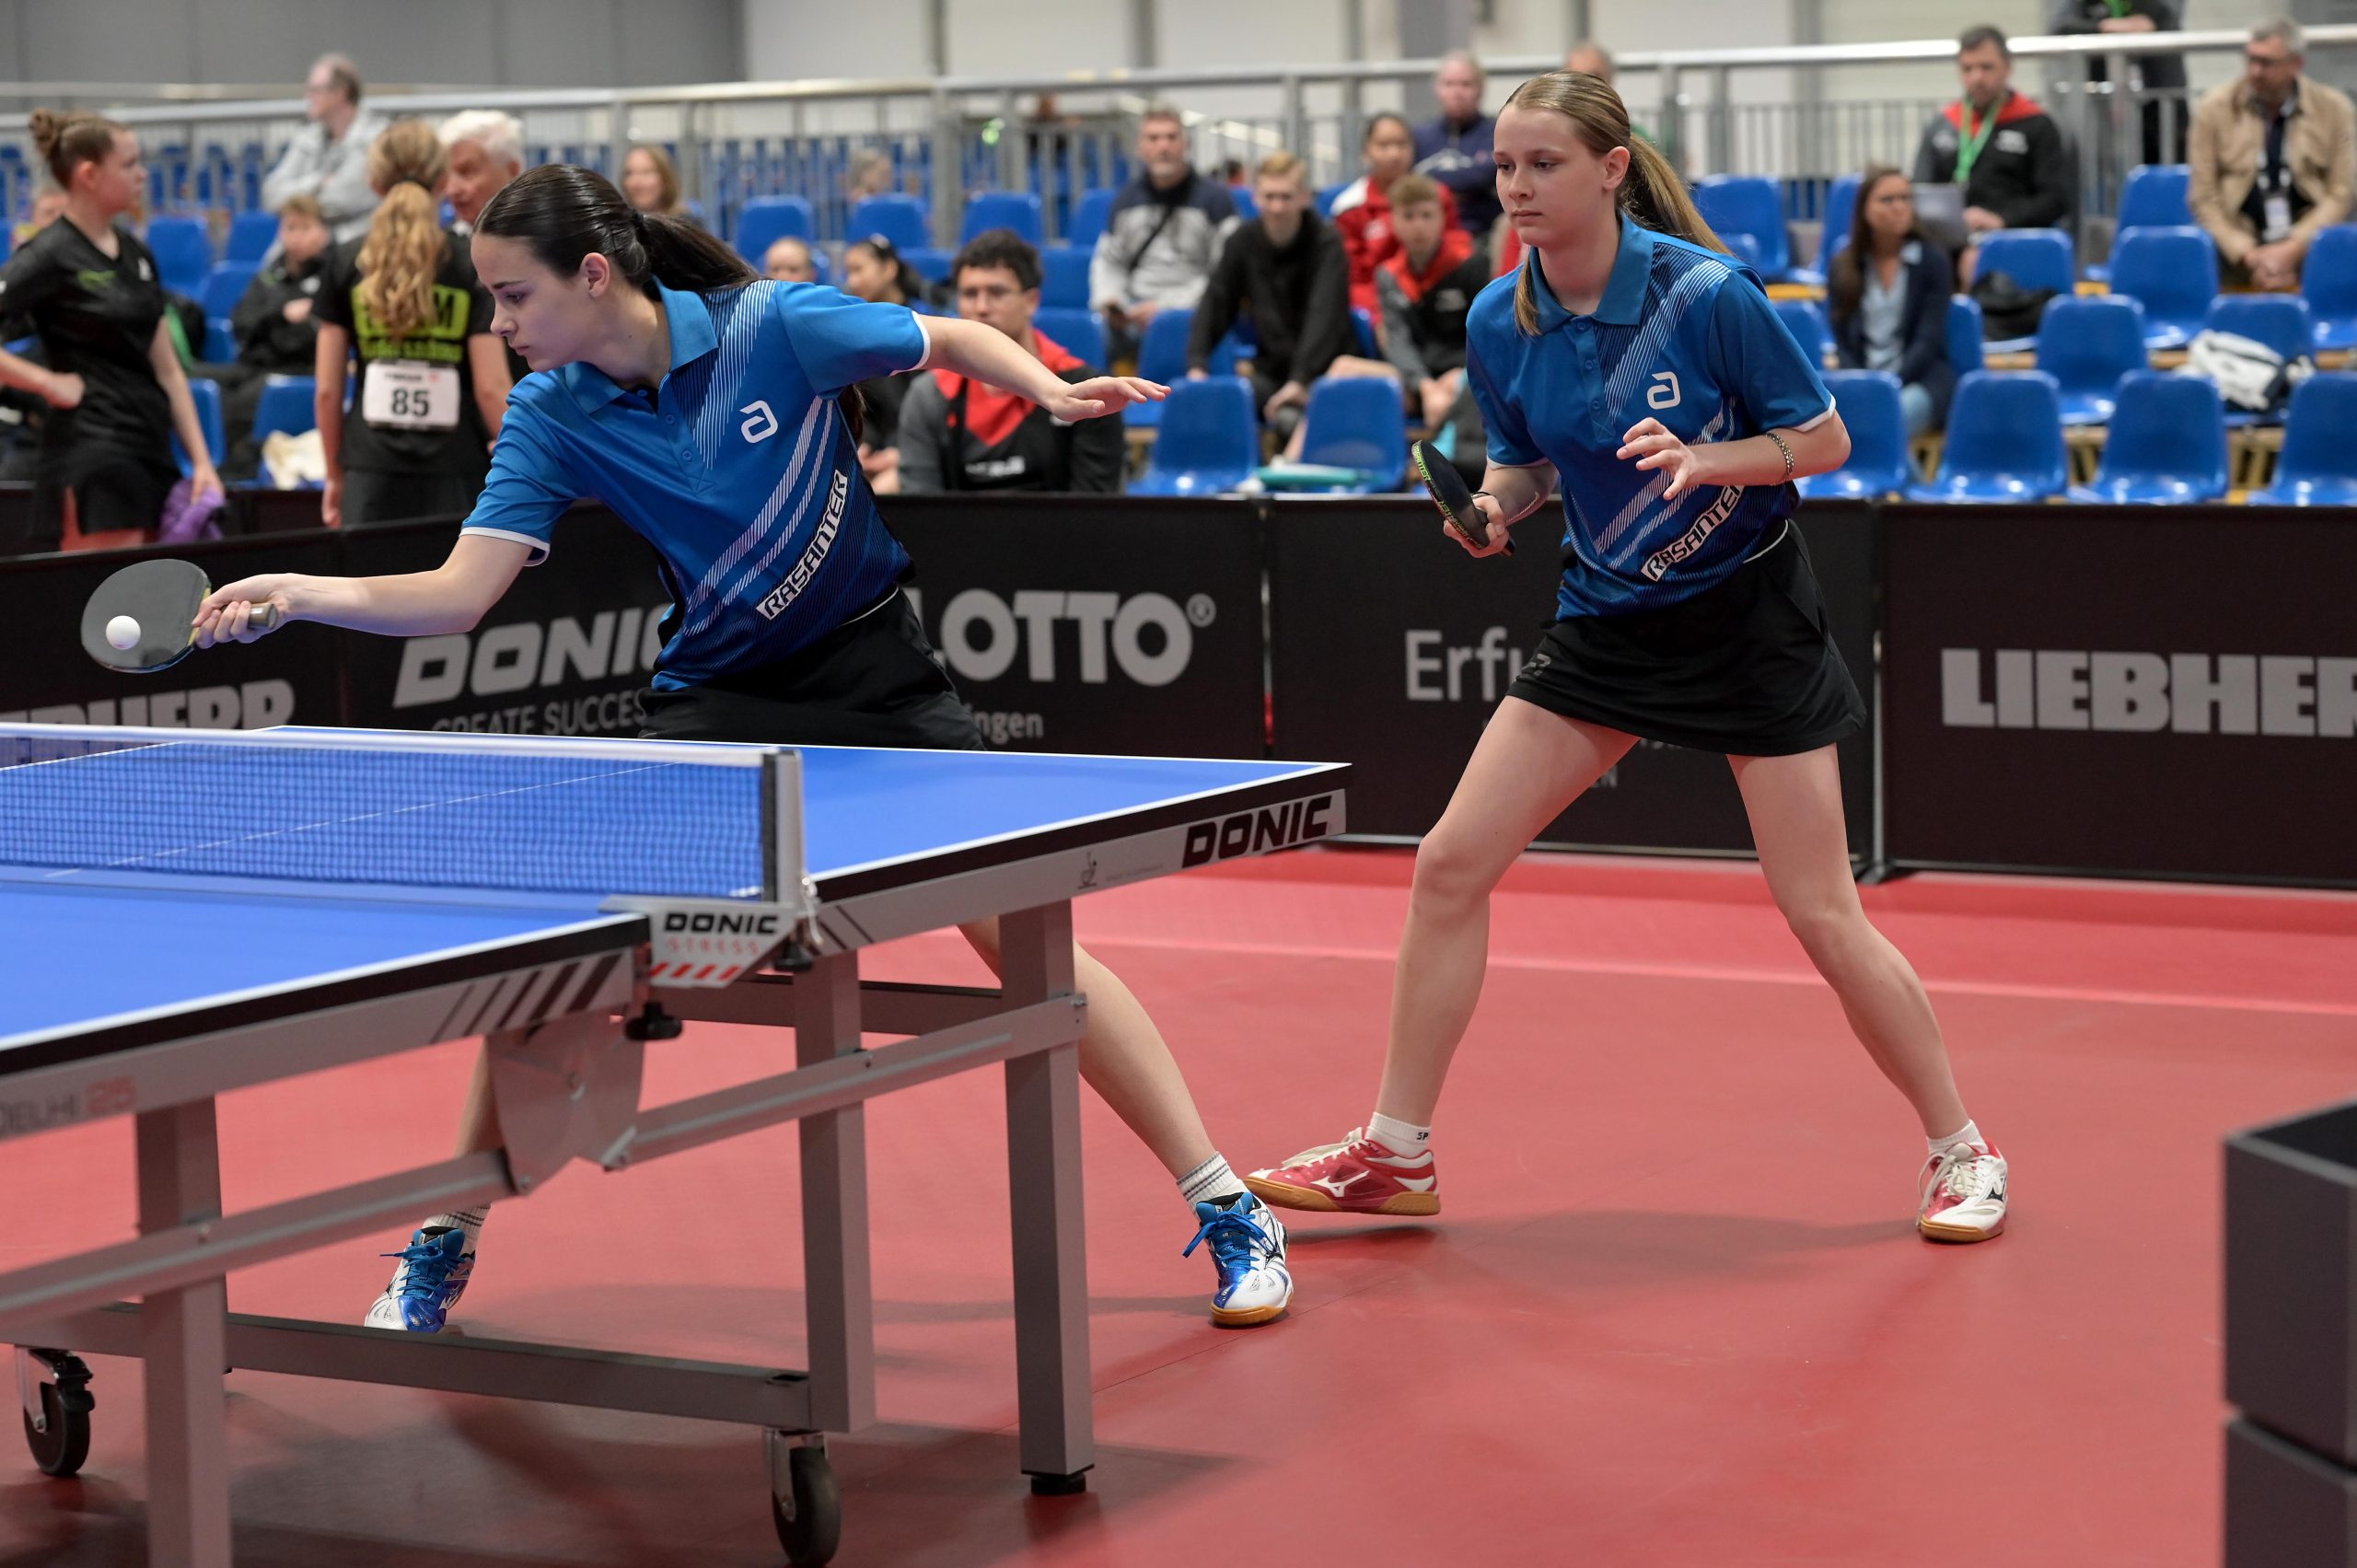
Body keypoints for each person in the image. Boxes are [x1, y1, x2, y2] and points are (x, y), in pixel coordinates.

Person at [192, 164, 1294, 1333]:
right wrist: (302, 592)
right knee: (571, 956)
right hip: (720, 699)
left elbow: (947, 336)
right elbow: (459, 595)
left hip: (874, 674)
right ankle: (446, 1232)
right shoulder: (552, 413)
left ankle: (1226, 1200)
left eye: (513, 296)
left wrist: (1051, 389)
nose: (499, 322)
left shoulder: (773, 325)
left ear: (594, 276)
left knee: (1024, 934)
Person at [1248, 72, 2008, 1249]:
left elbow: (1824, 437)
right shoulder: (1501, 318)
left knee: (1820, 909)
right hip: (1606, 617)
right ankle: (1395, 1153)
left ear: (1610, 169)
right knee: (1448, 863)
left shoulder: (1704, 295)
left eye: (1541, 165)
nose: (1515, 187)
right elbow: (1524, 465)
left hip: (1746, 615)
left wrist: (1710, 460)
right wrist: (1490, 510)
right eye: (1505, 167)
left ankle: (1962, 1146)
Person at [0, 110, 222, 552]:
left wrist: (201, 462)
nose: (142, 174)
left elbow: (168, 369)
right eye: (129, 164)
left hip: (151, 446)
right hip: (94, 450)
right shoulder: (47, 255)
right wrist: (47, 383)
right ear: (89, 175)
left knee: (153, 587)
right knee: (110, 590)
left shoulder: (137, 253)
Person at [312, 121, 510, 527]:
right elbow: (492, 389)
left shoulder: (345, 261)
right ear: (442, 180)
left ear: (373, 183)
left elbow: (328, 391)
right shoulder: (469, 262)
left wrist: (334, 475)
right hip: (456, 472)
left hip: (368, 473)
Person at [898, 229, 1123, 495]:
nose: (981, 307)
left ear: (1031, 301)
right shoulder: (930, 394)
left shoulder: (1083, 390)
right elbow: (922, 504)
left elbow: (1094, 509)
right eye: (969, 294)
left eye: (997, 292)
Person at [2189, 18, 2357, 292]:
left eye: (2266, 63)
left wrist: (2293, 248)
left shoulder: (2334, 109)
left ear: (2295, 64)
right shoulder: (2214, 109)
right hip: (2235, 254)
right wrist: (2248, 254)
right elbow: (2203, 197)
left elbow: (2341, 193)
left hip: (2312, 251)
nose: (2255, 71)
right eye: (2251, 60)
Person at [1187, 152, 1349, 436]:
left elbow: (1324, 316)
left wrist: (1300, 380)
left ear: (1305, 197)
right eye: (1269, 196)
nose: (1277, 207)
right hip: (1271, 371)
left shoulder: (1327, 243)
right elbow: (1216, 303)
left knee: (1289, 420)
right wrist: (1197, 365)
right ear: (1255, 197)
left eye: (1286, 197)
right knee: (1223, 411)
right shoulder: (1242, 241)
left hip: (1324, 374)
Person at [1089, 105, 1237, 363]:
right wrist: (1112, 301)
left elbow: (1224, 274)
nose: (1163, 146)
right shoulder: (1125, 200)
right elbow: (1110, 262)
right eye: (1154, 138)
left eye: (1171, 137)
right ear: (1140, 148)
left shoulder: (1216, 200)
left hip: (1191, 312)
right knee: (1089, 339)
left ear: (1185, 145)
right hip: (1134, 311)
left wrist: (1166, 308)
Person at [1913, 26, 2073, 254]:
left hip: (2015, 239)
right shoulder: (1942, 125)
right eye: (1967, 68)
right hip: (1950, 242)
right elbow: (1921, 191)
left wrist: (2002, 219)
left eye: (1986, 67)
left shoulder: (2036, 124)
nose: (1977, 77)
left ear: (2008, 68)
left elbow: (2055, 199)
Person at [1827, 167, 1956, 436]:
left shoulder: (1933, 261)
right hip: (1863, 381)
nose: (1899, 207)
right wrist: (1864, 386)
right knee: (1827, 422)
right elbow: (1843, 343)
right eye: (1887, 200)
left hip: (1919, 379)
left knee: (1885, 423)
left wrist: (1887, 386)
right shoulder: (1844, 265)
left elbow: (1928, 340)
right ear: (1864, 209)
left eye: (1905, 198)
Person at [1373, 173, 1490, 456]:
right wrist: (1423, 384)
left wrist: (1463, 374)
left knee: (1453, 395)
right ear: (1393, 221)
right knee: (1342, 369)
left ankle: (1439, 461)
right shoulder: (1388, 275)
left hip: (1464, 373)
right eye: (1409, 216)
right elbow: (1397, 339)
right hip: (1416, 377)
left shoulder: (1470, 263)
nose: (1419, 226)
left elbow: (1486, 336)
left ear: (1442, 218)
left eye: (1427, 215)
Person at [1331, 112, 1459, 315]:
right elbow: (1354, 279)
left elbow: (1455, 251)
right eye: (1383, 145)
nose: (1394, 153)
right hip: (1377, 306)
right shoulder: (1349, 206)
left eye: (1401, 144)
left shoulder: (1437, 195)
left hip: (1437, 298)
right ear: (1366, 151)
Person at [261, 53, 387, 244]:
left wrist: (297, 204)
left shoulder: (375, 138)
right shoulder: (307, 137)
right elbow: (271, 194)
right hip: (305, 246)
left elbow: (344, 199)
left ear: (340, 93)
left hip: (357, 245)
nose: (308, 97)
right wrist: (318, 182)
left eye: (315, 90)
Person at [2049, 0, 2189, 167]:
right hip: (2103, 100)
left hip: (2161, 96)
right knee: (2102, 164)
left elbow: (2161, 17)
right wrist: (2106, 27)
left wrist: (2126, 26)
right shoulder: (2081, 5)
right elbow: (2062, 27)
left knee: (2169, 160)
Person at [839, 235, 930, 494]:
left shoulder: (924, 327)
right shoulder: (853, 333)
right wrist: (863, 444)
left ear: (889, 269)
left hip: (918, 447)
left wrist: (899, 450)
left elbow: (927, 406)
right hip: (872, 455)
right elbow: (860, 404)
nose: (852, 281)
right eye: (848, 272)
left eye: (859, 270)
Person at [228, 195, 331, 375]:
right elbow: (242, 323)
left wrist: (269, 325)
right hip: (255, 366)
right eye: (290, 228)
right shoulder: (269, 275)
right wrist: (282, 314)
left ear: (323, 233)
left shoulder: (333, 275)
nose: (297, 237)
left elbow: (301, 341)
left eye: (306, 228)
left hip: (303, 371)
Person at [1414, 51, 1503, 242]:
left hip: (1483, 235)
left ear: (1481, 89)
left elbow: (1488, 175)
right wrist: (1469, 183)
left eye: (1466, 84)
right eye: (1449, 84)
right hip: (1428, 240)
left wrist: (1429, 178)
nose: (1457, 92)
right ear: (1437, 89)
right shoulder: (1420, 136)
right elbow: (1408, 183)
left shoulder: (1498, 132)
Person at [438, 110, 526, 235]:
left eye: (466, 172)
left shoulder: (548, 240)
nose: (451, 190)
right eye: (447, 175)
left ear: (512, 172)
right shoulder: (440, 243)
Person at [620, 144, 696, 224]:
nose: (637, 182)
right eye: (629, 173)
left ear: (665, 177)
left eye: (646, 172)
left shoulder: (688, 225)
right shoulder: (617, 226)